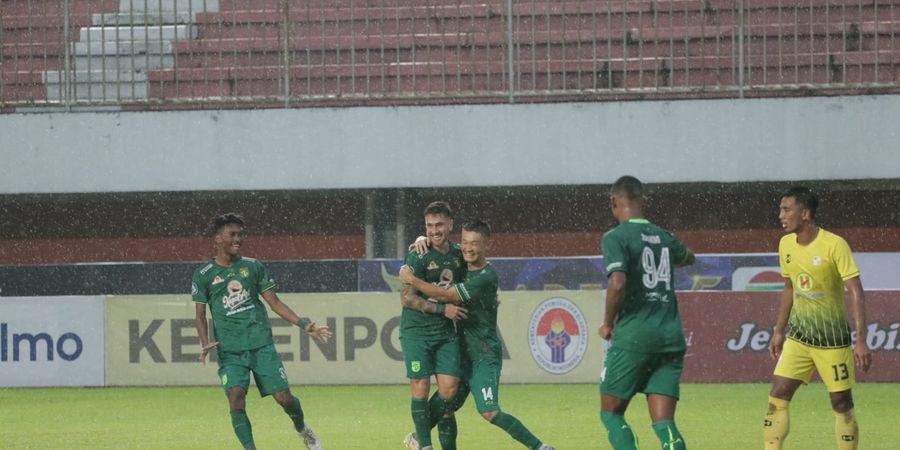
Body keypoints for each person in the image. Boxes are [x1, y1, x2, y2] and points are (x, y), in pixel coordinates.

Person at [400, 220, 555, 450]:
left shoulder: (485, 275)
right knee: (446, 408)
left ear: (487, 246)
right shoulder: (460, 264)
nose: (468, 248)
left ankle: (540, 447)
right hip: (461, 352)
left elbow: (445, 295)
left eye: (474, 243)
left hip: (483, 354)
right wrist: (422, 241)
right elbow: (443, 252)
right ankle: (419, 439)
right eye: (464, 242)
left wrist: (412, 280)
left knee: (489, 411)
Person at [192, 213, 333, 450]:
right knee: (236, 398)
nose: (238, 239)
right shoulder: (204, 274)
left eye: (240, 235)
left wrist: (304, 324)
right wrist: (205, 341)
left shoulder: (253, 266)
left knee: (284, 399)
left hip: (261, 346)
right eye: (232, 235)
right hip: (230, 352)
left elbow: (275, 303)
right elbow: (199, 315)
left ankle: (302, 428)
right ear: (217, 239)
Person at [764, 186, 872, 450]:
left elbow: (856, 291)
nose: (781, 215)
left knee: (841, 403)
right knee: (778, 393)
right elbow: (789, 288)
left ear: (805, 213)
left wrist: (861, 340)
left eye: (787, 209)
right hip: (799, 337)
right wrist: (779, 331)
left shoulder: (834, 245)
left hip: (832, 339)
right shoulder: (785, 244)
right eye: (781, 209)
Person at [597, 175, 695, 450]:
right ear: (644, 201)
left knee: (611, 413)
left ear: (614, 202)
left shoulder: (615, 237)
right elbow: (688, 256)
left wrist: (607, 323)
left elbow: (617, 282)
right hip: (670, 336)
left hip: (636, 335)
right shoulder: (663, 236)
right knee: (664, 423)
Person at [398, 201, 468, 450]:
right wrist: (443, 309)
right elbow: (406, 298)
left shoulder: (460, 255)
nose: (434, 231)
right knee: (421, 385)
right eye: (429, 226)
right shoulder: (418, 253)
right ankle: (425, 446)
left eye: (439, 225)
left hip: (446, 332)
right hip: (416, 332)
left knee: (449, 392)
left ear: (451, 224)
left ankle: (418, 435)